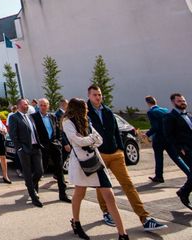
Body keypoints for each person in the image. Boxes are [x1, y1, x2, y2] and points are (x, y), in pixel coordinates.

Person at [87, 85, 167, 231]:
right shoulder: (85, 112)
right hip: (99, 154)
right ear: (89, 96)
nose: (98, 97)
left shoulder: (108, 111)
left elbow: (116, 131)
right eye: (94, 95)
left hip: (115, 154)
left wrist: (121, 149)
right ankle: (106, 212)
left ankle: (145, 218)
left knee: (128, 185)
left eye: (99, 94)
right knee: (102, 186)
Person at [62, 98, 128, 240]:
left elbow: (100, 139)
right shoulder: (67, 122)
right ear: (77, 108)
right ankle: (76, 221)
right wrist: (90, 139)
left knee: (109, 196)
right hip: (82, 163)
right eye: (84, 107)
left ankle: (123, 234)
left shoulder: (87, 120)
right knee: (79, 193)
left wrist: (88, 139)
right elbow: (77, 141)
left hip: (96, 162)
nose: (87, 109)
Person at [31, 98, 70, 202]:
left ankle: (63, 194)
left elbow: (58, 130)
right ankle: (34, 192)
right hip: (42, 147)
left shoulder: (52, 116)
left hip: (54, 146)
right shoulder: (33, 117)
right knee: (40, 170)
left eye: (45, 105)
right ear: (38, 106)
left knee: (59, 170)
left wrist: (59, 142)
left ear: (48, 106)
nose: (43, 107)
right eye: (41, 105)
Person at [8, 98, 44, 207]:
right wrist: (19, 148)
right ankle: (34, 196)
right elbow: (13, 134)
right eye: (25, 104)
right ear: (19, 105)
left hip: (35, 147)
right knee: (27, 172)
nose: (27, 105)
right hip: (24, 149)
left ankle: (30, 186)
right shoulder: (14, 117)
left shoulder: (30, 117)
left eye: (28, 104)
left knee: (40, 171)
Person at [163, 93, 192, 210]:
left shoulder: (189, 115)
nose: (183, 102)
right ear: (173, 103)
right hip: (185, 150)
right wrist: (180, 148)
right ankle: (184, 192)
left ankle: (183, 191)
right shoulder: (169, 117)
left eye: (183, 100)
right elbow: (168, 135)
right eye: (179, 101)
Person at [145, 95, 170, 183]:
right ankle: (188, 172)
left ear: (148, 103)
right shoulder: (165, 110)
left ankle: (159, 176)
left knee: (159, 158)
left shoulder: (151, 112)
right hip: (168, 138)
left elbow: (155, 127)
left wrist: (147, 134)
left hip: (158, 139)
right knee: (176, 158)